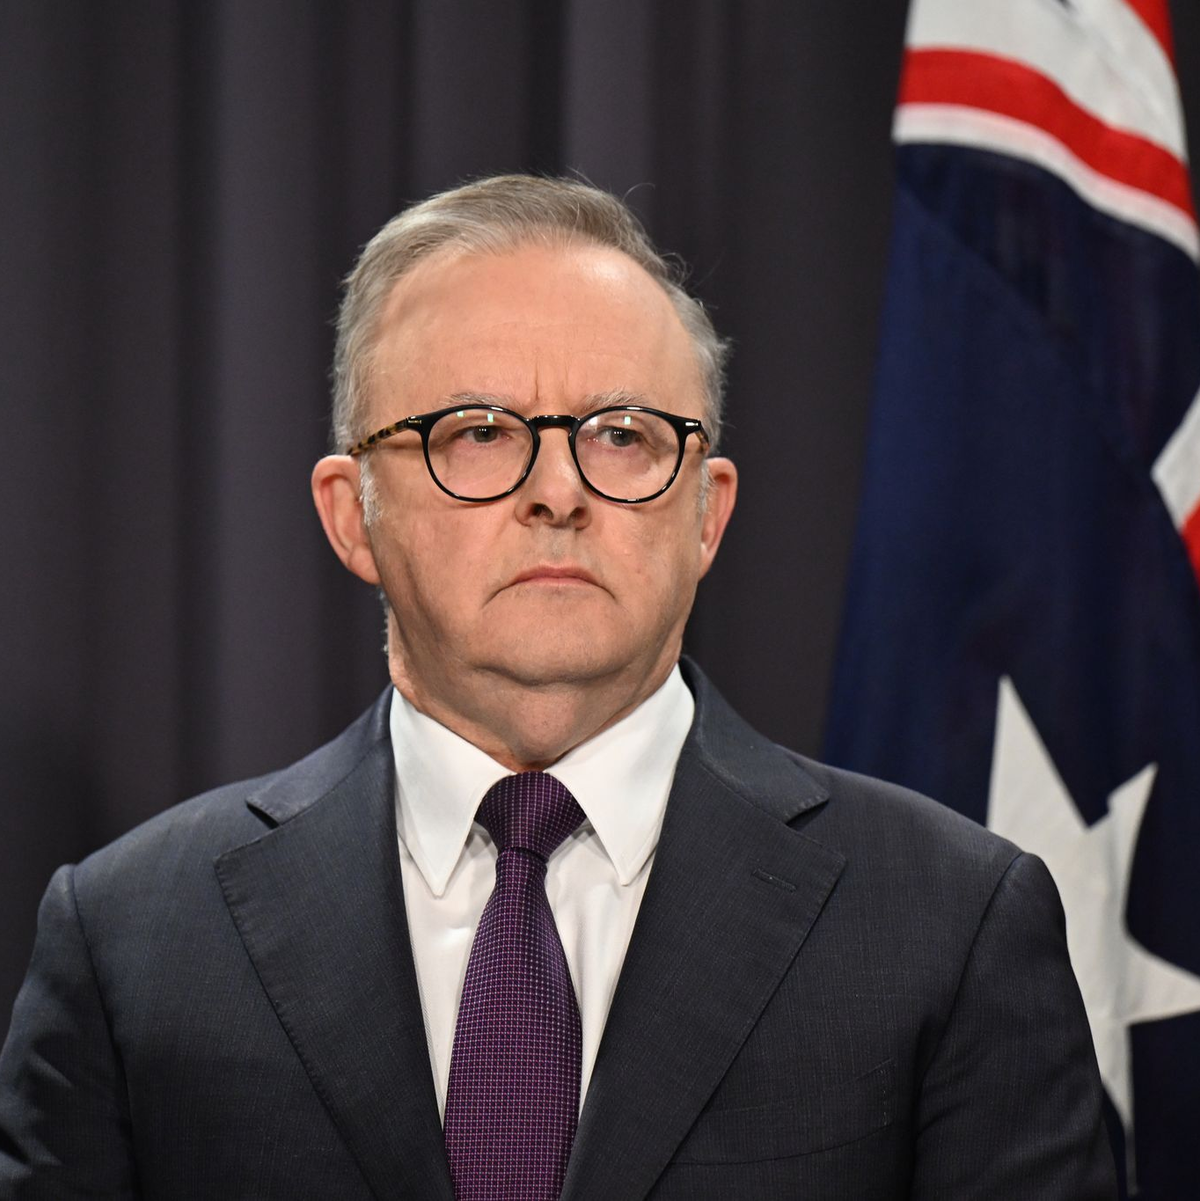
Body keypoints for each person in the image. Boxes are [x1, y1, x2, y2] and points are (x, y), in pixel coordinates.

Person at [0, 175, 1115, 1199]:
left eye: (622, 435)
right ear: (353, 514)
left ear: (707, 511)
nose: (557, 490)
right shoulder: (131, 942)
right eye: (476, 431)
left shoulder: (950, 924)